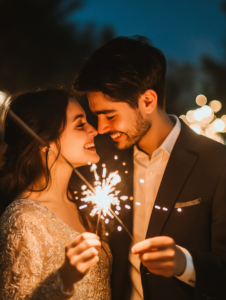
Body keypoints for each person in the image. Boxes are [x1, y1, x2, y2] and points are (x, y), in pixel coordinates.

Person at [74, 36, 226, 300]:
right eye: (96, 115)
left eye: (110, 115)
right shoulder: (102, 159)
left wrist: (185, 263)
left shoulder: (217, 163)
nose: (101, 128)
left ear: (147, 101)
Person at [0, 89, 112, 300]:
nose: (94, 130)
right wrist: (64, 279)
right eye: (80, 125)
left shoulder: (82, 200)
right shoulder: (23, 220)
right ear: (44, 142)